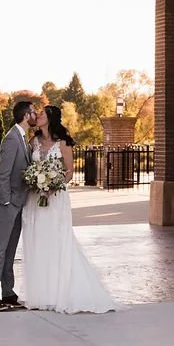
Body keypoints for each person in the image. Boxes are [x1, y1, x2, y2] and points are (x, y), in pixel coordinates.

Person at [22, 105, 116, 314]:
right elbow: (30, 167)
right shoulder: (33, 141)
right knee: (38, 240)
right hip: (35, 198)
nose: (38, 116)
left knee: (57, 240)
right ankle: (41, 293)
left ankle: (60, 292)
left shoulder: (63, 143)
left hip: (56, 198)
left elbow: (69, 171)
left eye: (42, 114)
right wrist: (37, 183)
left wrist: (52, 186)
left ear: (51, 118)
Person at [0, 98, 37, 312]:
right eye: (33, 112)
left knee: (10, 250)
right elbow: (3, 174)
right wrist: (6, 201)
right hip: (8, 203)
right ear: (26, 115)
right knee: (0, 249)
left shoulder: (23, 138)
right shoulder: (11, 139)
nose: (36, 115)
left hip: (19, 202)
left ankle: (8, 293)